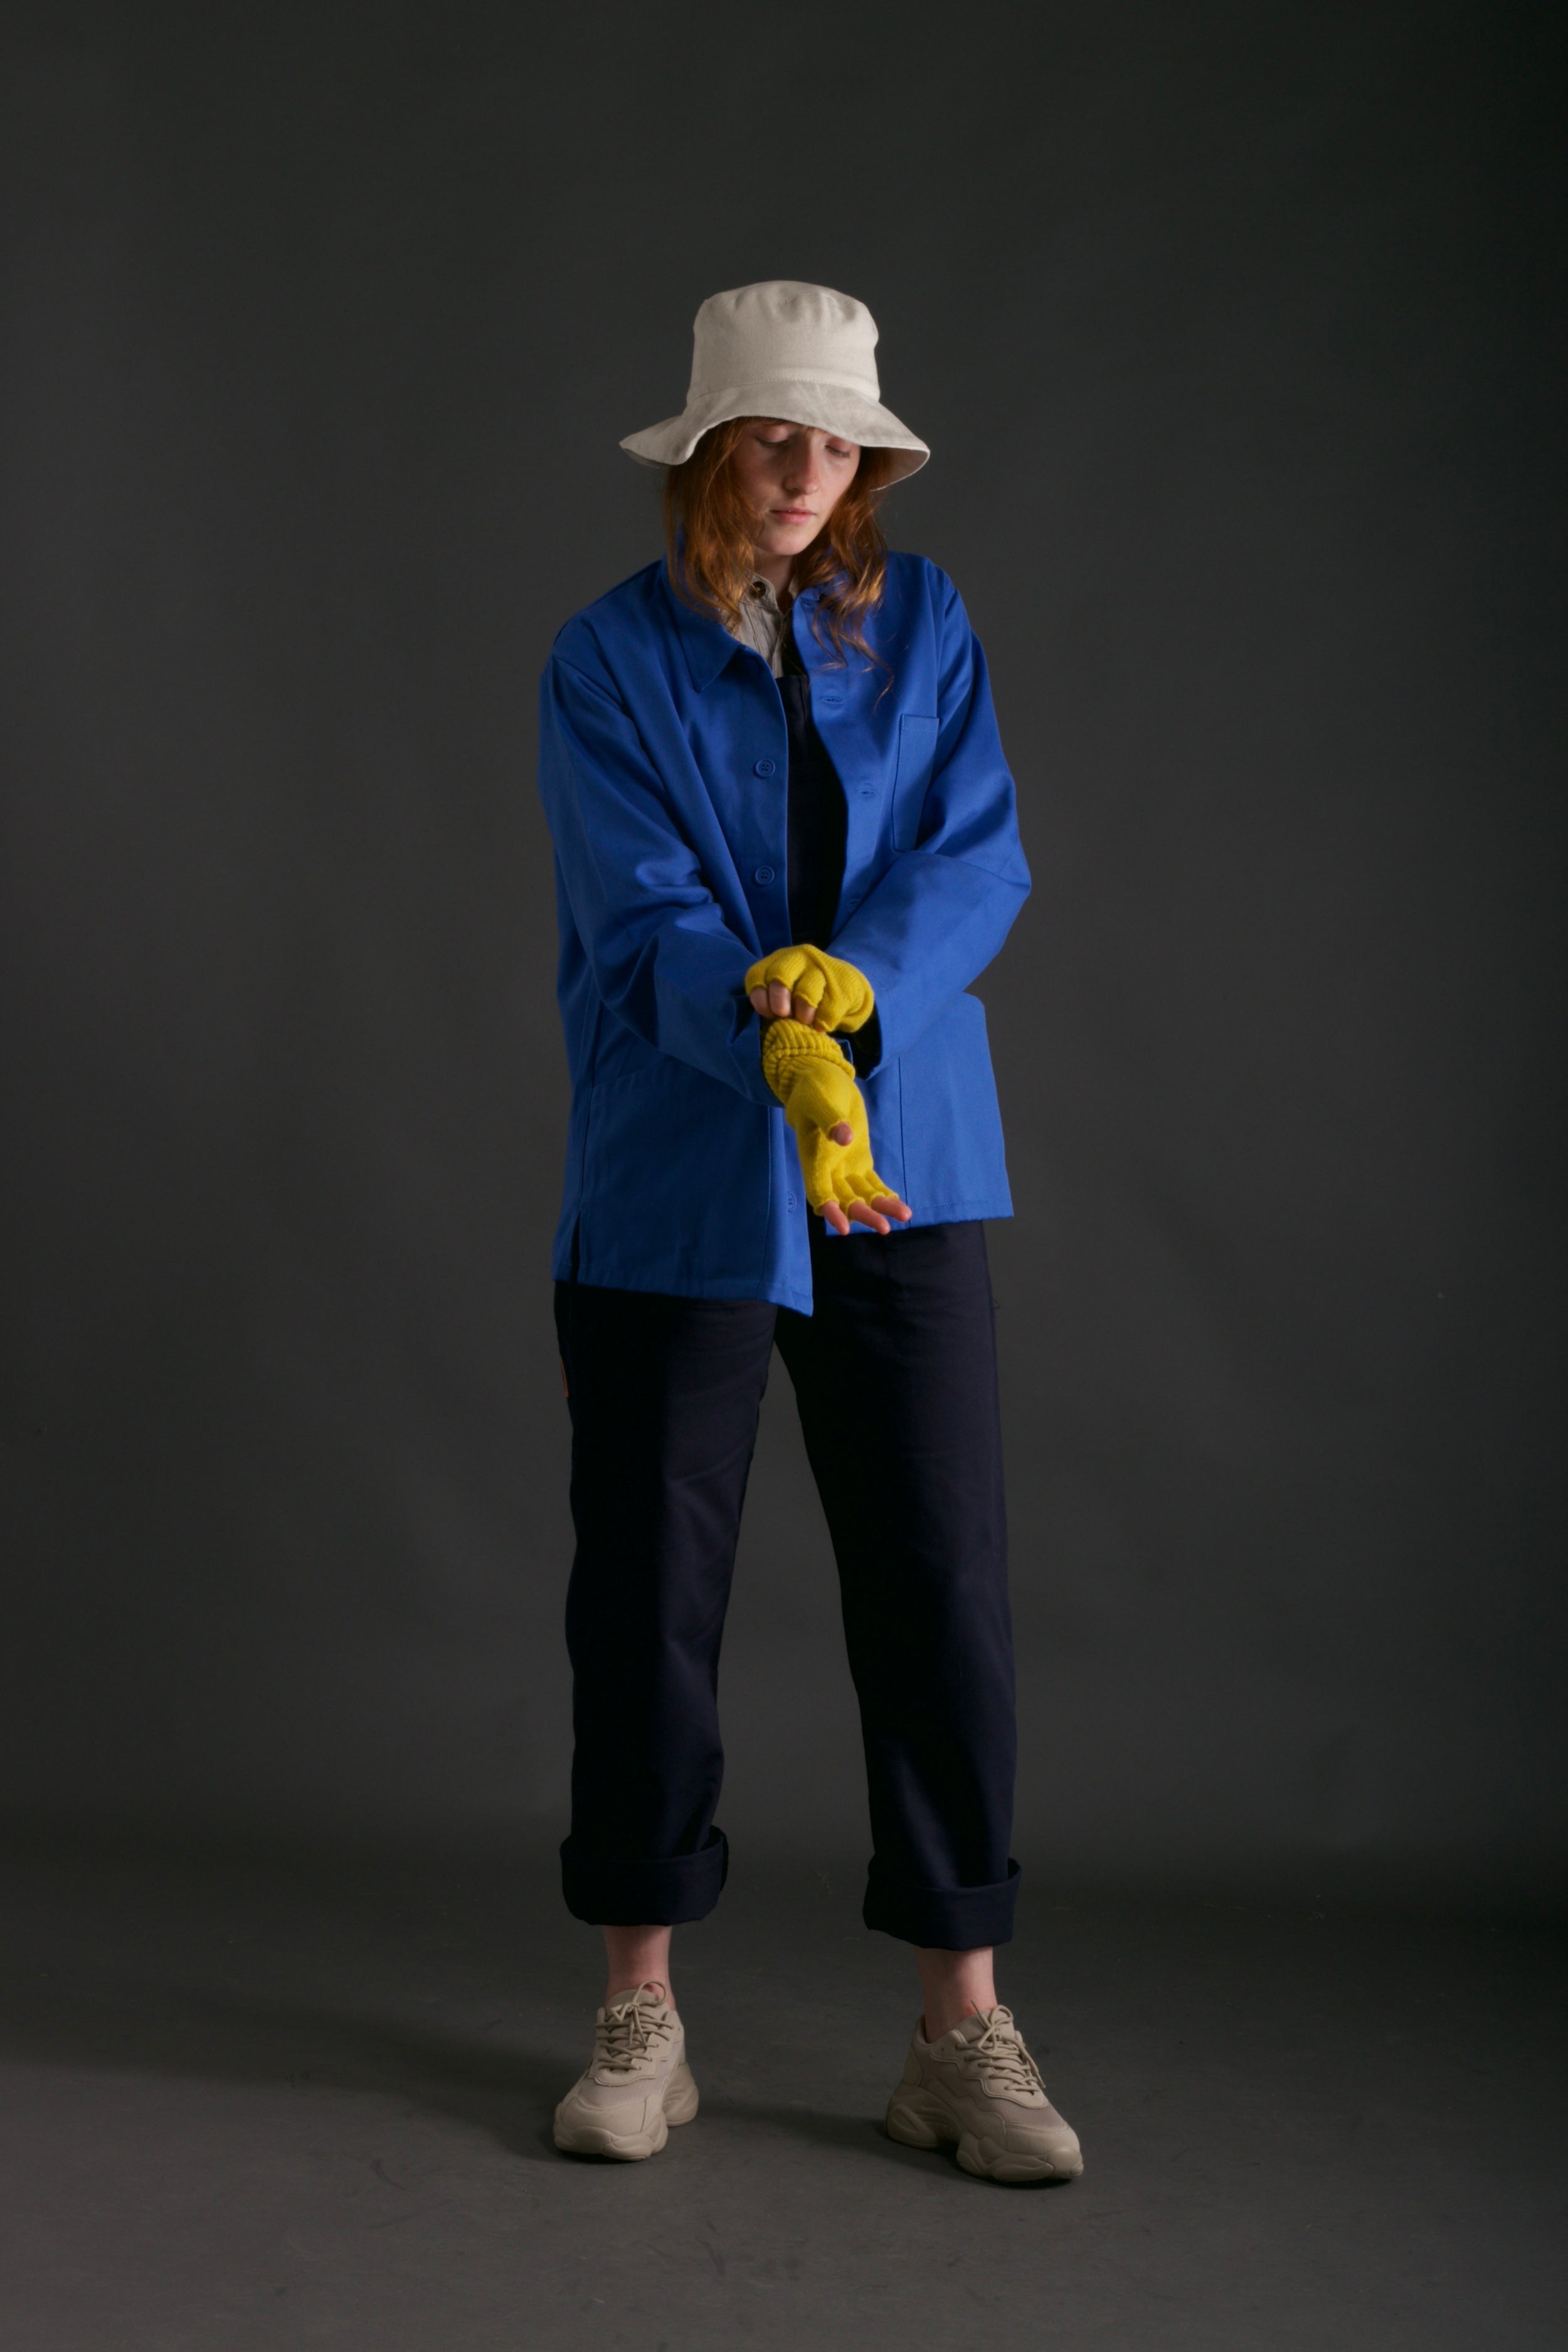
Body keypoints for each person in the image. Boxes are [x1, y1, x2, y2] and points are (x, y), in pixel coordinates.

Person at [536, 281, 1083, 2185]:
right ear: (705, 448)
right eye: (773, 433)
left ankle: (961, 2028)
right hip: (679, 1165)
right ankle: (641, 2010)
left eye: (837, 439)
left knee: (939, 1583)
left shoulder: (920, 622)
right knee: (648, 1604)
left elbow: (975, 852)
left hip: (905, 1149)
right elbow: (637, 913)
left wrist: (851, 1003)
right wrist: (760, 1036)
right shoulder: (603, 662)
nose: (807, 469)